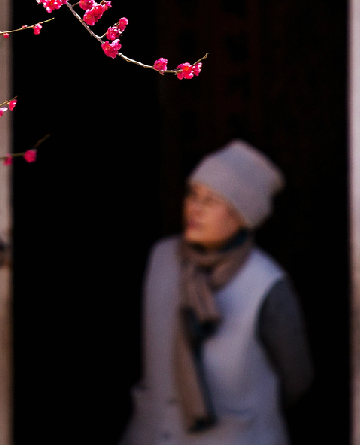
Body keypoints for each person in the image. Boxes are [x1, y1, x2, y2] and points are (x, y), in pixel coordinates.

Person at [123, 140, 313, 445]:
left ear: (241, 216)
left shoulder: (266, 283)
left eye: (210, 201)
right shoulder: (161, 259)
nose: (194, 209)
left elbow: (297, 380)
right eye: (192, 195)